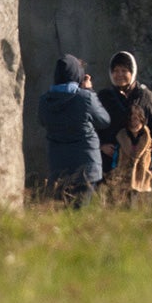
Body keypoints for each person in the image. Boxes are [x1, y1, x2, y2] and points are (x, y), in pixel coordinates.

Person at [37, 54, 111, 207]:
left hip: (58, 167)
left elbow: (42, 121)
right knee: (81, 215)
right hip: (86, 168)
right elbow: (104, 121)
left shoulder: (45, 100)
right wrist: (89, 91)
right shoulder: (85, 98)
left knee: (63, 216)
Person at [97, 52, 152, 190]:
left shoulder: (145, 95)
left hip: (140, 163)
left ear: (132, 72)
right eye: (115, 71)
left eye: (124, 70)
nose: (119, 74)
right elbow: (94, 128)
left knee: (136, 205)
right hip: (111, 163)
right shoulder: (104, 97)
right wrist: (101, 145)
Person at [112, 98, 152, 205]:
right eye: (130, 120)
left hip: (142, 181)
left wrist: (151, 172)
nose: (133, 123)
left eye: (136, 119)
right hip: (123, 181)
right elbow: (115, 159)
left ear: (142, 120)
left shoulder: (148, 140)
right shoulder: (122, 137)